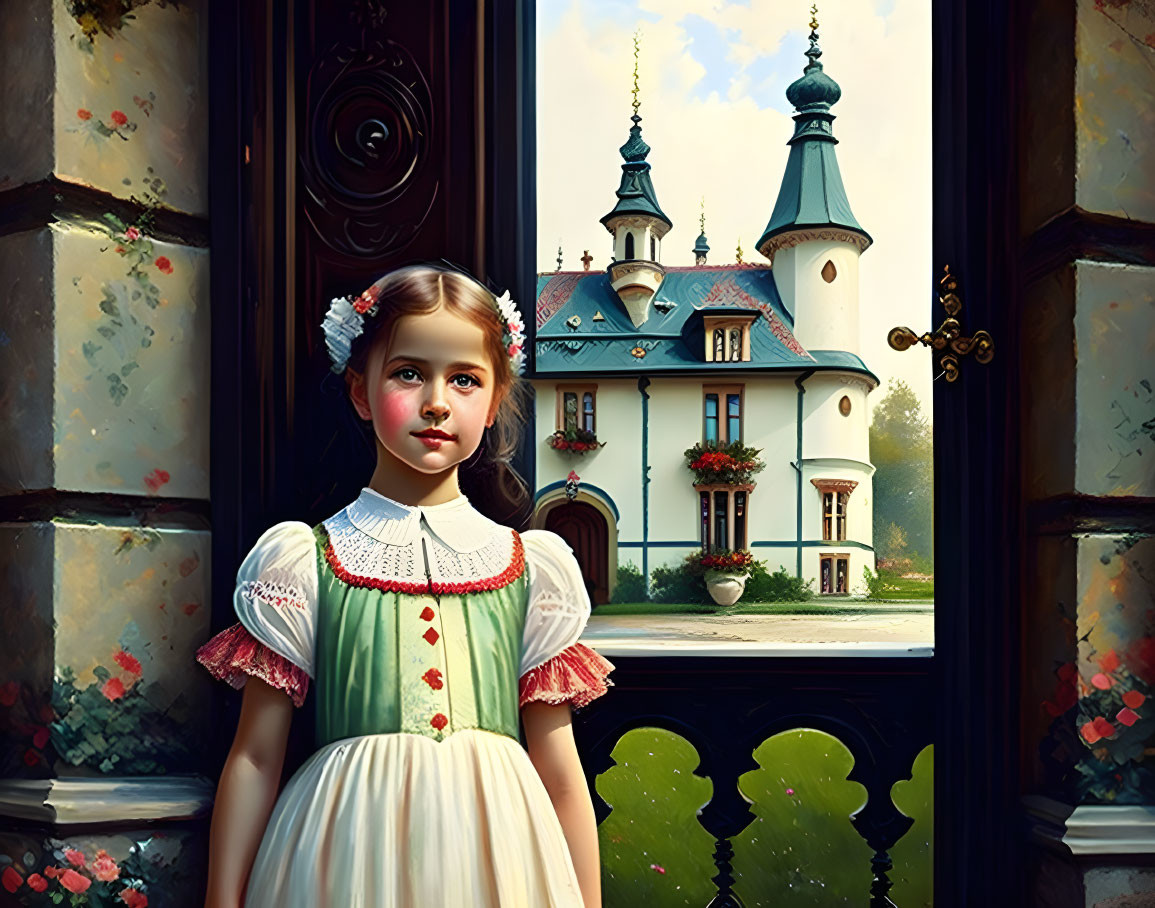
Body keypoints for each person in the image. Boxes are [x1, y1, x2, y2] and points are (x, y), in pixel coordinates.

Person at [195, 263, 615, 907]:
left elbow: (560, 772)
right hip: (345, 851)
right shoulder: (304, 561)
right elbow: (254, 757)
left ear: (495, 400)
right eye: (409, 373)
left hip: (499, 852)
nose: (437, 400)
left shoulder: (529, 567)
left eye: (465, 379)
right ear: (361, 392)